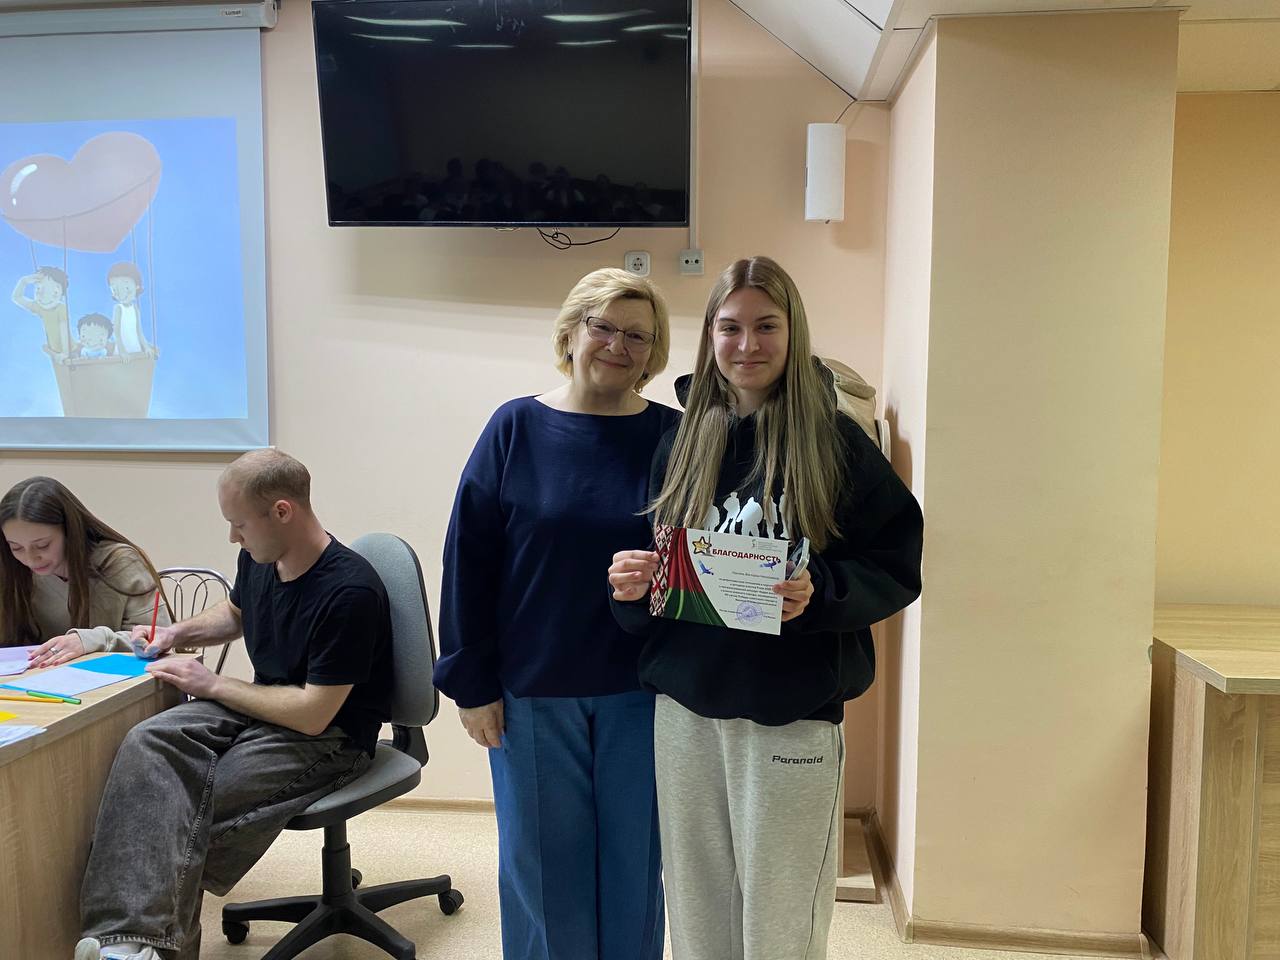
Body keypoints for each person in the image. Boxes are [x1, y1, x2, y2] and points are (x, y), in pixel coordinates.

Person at [608, 256, 924, 960]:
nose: (747, 344)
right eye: (730, 327)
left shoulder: (836, 443)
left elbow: (895, 565)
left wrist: (822, 591)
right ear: (709, 337)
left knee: (782, 920)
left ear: (793, 333)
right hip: (685, 714)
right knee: (697, 908)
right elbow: (662, 574)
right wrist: (633, 587)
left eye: (766, 326)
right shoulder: (681, 441)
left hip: (792, 714)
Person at [436, 268, 678, 960]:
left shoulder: (677, 435)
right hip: (533, 689)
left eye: (638, 335)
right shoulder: (515, 426)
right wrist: (472, 684)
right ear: (571, 332)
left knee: (635, 868)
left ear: (654, 352)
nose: (618, 345)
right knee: (544, 872)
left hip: (644, 689)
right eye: (603, 327)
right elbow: (468, 561)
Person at [74, 449, 393, 960]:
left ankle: (140, 948)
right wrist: (177, 633)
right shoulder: (261, 558)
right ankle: (128, 944)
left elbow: (314, 714)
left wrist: (212, 684)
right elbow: (235, 613)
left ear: (283, 511)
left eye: (239, 524)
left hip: (329, 736)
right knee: (149, 742)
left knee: (185, 806)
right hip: (264, 704)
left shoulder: (350, 591)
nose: (232, 538)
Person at [0, 476, 169, 669]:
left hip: (116, 677)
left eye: (43, 545)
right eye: (16, 547)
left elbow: (158, 637)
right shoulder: (12, 568)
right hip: (37, 677)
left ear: (69, 531)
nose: (30, 559)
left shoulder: (117, 562)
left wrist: (90, 641)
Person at [11, 266, 71, 361]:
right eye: (38, 288)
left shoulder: (61, 309)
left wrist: (66, 353)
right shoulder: (40, 308)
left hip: (70, 350)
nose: (41, 294)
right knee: (44, 347)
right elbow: (17, 297)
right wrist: (23, 281)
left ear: (59, 293)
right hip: (55, 351)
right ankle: (56, 355)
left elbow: (64, 330)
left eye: (53, 291)